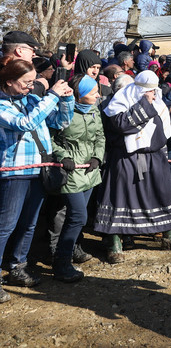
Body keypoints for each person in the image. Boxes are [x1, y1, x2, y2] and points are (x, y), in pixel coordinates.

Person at [95, 70, 171, 264]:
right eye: (149, 91)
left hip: (154, 157)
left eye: (154, 91)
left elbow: (164, 129)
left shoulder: (156, 101)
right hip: (125, 158)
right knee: (120, 198)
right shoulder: (118, 102)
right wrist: (144, 103)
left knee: (163, 193)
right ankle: (115, 243)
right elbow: (123, 125)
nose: (153, 94)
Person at [0, 57, 73, 302]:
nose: (31, 88)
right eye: (25, 83)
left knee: (29, 224)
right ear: (9, 81)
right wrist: (51, 95)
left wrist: (65, 99)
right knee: (5, 227)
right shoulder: (1, 105)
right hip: (14, 173)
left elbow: (60, 122)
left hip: (38, 171)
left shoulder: (32, 99)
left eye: (33, 82)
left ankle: (18, 267)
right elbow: (25, 123)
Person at [49, 74, 104, 283]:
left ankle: (69, 254)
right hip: (71, 172)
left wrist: (98, 156)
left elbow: (100, 136)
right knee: (78, 217)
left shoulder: (93, 111)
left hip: (89, 172)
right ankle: (61, 263)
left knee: (78, 218)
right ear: (80, 95)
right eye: (93, 92)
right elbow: (50, 139)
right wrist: (63, 156)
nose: (98, 95)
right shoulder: (63, 111)